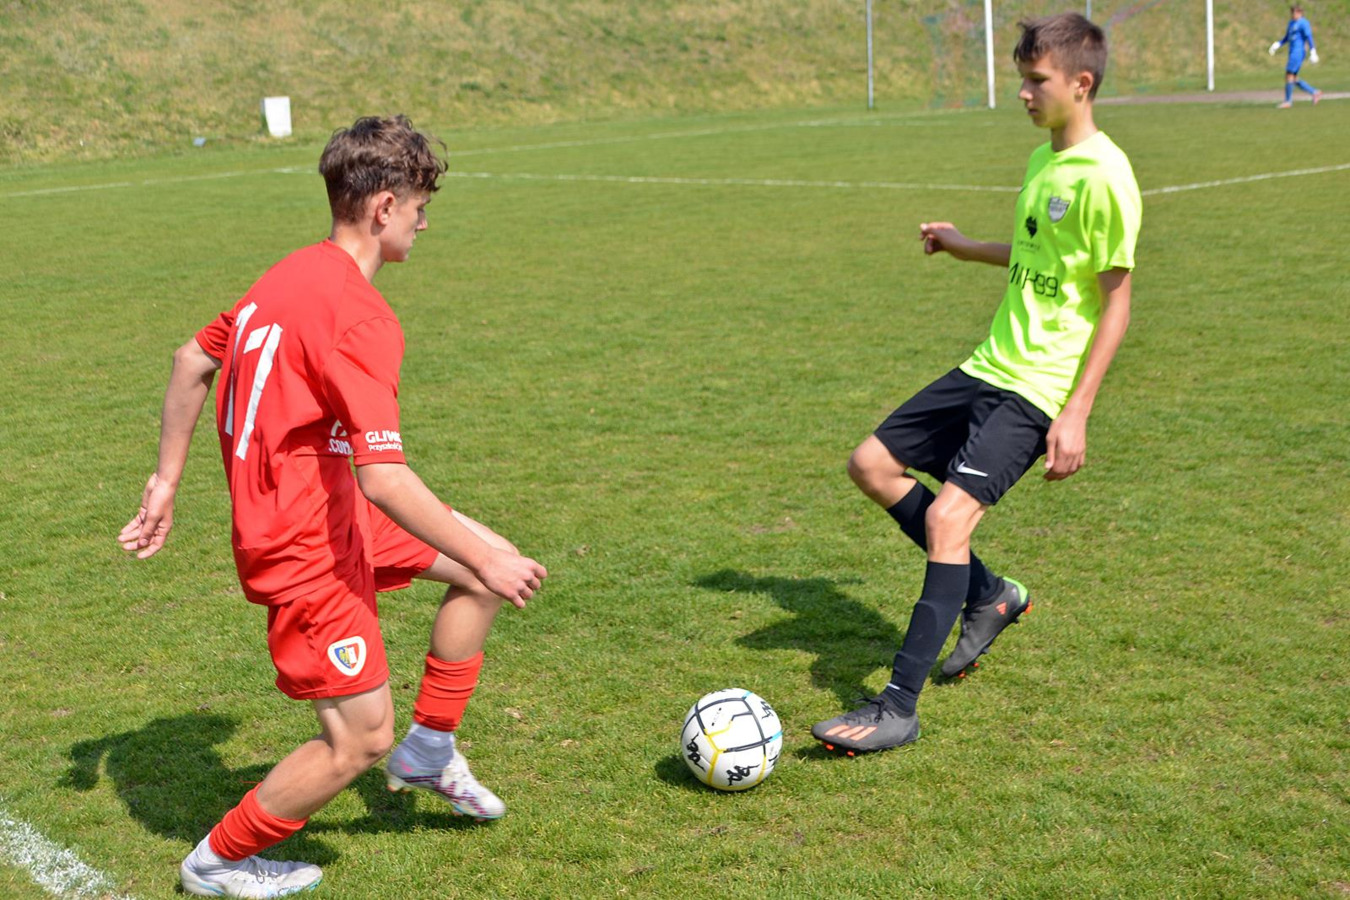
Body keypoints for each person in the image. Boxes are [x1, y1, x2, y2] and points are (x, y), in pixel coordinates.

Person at [118, 115, 548, 897]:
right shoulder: (360, 317)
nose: (424, 223)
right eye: (419, 207)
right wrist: (482, 554)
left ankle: (431, 749)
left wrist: (166, 481)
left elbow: (190, 360)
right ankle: (217, 862)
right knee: (360, 738)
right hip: (304, 542)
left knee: (488, 568)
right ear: (384, 207)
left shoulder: (287, 274)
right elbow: (386, 477)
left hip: (330, 509)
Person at [812, 13, 1141, 756]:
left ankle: (898, 706)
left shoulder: (1106, 178)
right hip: (989, 363)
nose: (1023, 93)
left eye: (1036, 80)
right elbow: (1038, 257)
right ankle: (990, 594)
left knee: (948, 519)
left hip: (1037, 386)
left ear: (1081, 83)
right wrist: (965, 248)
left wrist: (1076, 412)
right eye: (1022, 79)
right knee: (871, 464)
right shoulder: (1044, 160)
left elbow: (1116, 301)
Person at [1269, 5, 1323, 108]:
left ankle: (1288, 101)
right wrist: (1278, 44)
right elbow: (1287, 37)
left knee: (1289, 75)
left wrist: (1313, 51)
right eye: (1292, 12)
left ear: (1300, 13)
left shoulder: (1303, 23)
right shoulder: (1291, 23)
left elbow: (1309, 37)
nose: (1293, 14)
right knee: (1293, 78)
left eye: (1295, 12)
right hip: (1292, 52)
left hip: (1298, 52)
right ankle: (1315, 92)